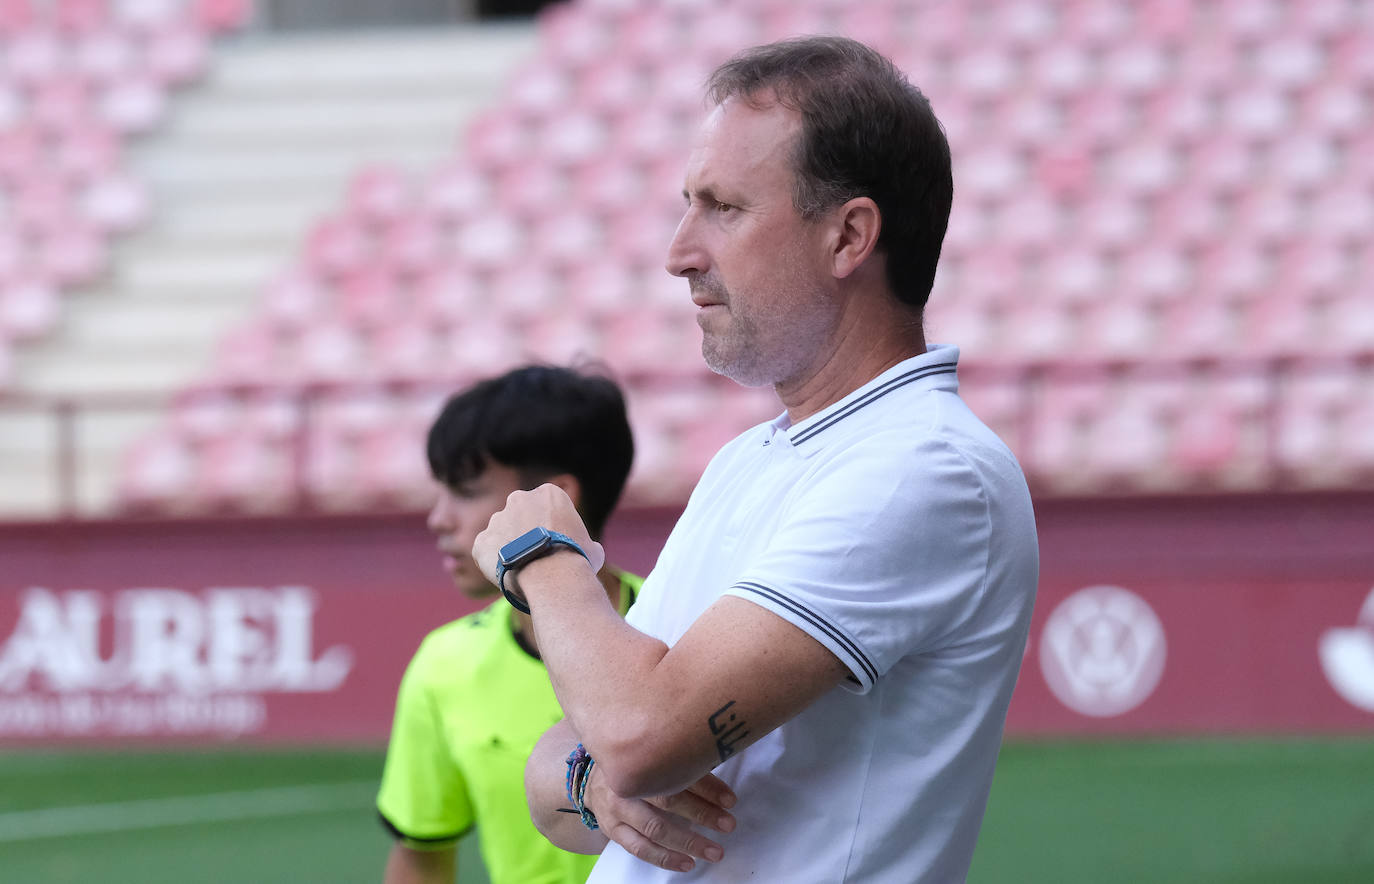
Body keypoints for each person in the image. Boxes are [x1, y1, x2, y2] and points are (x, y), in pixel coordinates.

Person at [473, 35, 1039, 884]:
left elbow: (635, 732)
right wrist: (601, 780)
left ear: (849, 237)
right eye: (686, 204)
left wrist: (542, 558)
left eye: (723, 208)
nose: (679, 252)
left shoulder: (926, 470)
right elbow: (560, 766)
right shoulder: (756, 458)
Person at [376, 364, 640, 884]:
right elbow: (422, 854)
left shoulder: (693, 628)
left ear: (554, 499)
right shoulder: (445, 665)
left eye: (467, 490)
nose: (439, 518)